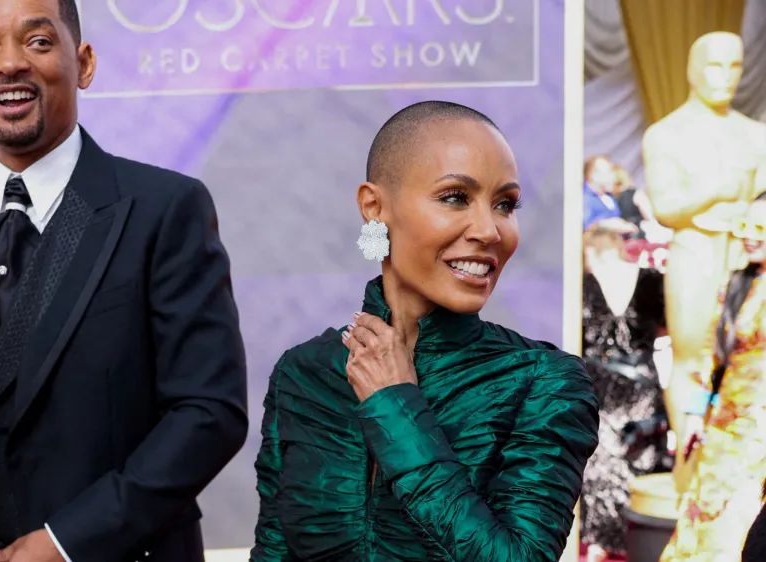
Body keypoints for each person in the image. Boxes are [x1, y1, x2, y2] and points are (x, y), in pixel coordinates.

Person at [0, 0, 248, 560]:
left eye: (38, 42)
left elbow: (209, 412)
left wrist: (72, 540)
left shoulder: (165, 209)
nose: (9, 64)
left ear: (85, 63)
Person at [250, 101, 600, 561]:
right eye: (455, 197)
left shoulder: (545, 383)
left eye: (505, 204)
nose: (489, 229)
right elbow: (274, 550)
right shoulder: (304, 373)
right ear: (375, 207)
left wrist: (395, 406)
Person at [659, 192, 766, 561]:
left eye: (759, 227)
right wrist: (693, 413)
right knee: (707, 519)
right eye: (745, 226)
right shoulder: (737, 284)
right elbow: (712, 356)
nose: (749, 236)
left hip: (762, 436)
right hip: (725, 428)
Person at [579, 228, 668, 562]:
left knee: (599, 471)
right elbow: (666, 327)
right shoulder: (652, 280)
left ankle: (600, 546)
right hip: (642, 387)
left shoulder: (582, 284)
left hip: (599, 387)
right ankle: (641, 541)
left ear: (590, 250)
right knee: (640, 466)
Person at [583, 155, 639, 235]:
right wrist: (606, 224)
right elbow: (585, 226)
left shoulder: (609, 196)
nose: (613, 177)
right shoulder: (586, 198)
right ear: (593, 175)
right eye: (609, 172)